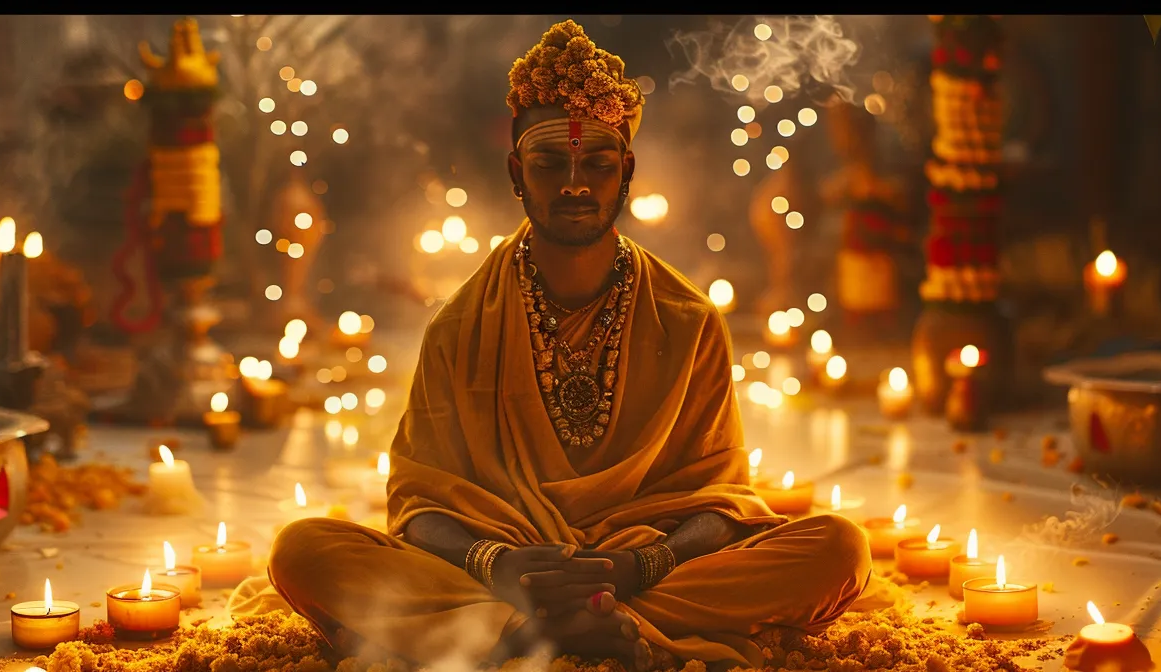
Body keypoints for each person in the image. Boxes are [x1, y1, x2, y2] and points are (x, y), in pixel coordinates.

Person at [256, 20, 869, 670]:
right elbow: (419, 502)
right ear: (517, 171)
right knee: (302, 550)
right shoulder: (459, 326)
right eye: (550, 163)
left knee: (840, 547)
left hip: (644, 567)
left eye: (597, 163)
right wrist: (496, 565)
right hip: (509, 567)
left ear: (625, 170)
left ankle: (519, 635)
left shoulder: (689, 320)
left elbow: (722, 500)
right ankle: (589, 627)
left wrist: (642, 564)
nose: (575, 183)